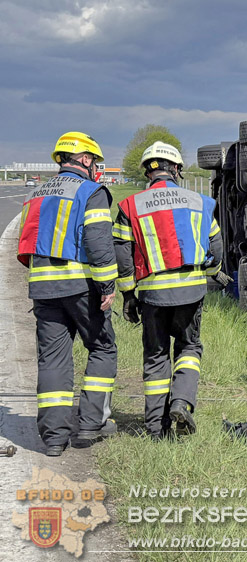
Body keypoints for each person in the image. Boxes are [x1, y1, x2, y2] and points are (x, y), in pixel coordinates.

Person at [113, 141, 223, 440]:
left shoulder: (130, 206)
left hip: (152, 294)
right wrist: (212, 274)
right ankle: (181, 402)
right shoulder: (199, 202)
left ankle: (155, 429)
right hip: (191, 292)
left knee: (156, 355)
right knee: (189, 348)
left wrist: (127, 294)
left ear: (149, 171)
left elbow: (122, 253)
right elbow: (215, 246)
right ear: (176, 168)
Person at [17, 132, 118, 457]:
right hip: (80, 286)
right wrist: (107, 286)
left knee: (53, 360)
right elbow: (99, 243)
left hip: (44, 289)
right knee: (103, 348)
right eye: (96, 163)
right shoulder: (91, 192)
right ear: (85, 160)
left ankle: (54, 438)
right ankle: (90, 425)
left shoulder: (37, 193)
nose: (97, 169)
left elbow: (28, 241)